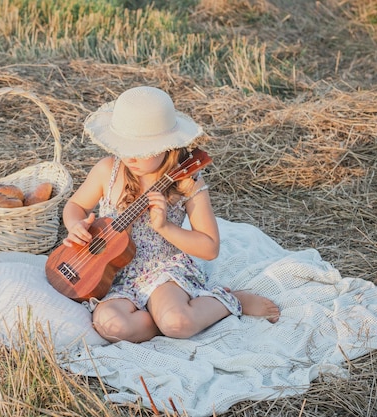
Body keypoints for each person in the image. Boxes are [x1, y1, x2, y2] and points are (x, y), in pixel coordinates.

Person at [61, 86, 280, 343]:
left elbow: (209, 248)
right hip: (110, 274)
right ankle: (159, 318)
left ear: (167, 146)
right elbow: (75, 207)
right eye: (125, 146)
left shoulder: (186, 182)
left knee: (177, 323)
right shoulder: (107, 171)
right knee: (111, 326)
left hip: (162, 271)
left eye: (142, 149)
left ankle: (229, 301)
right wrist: (76, 224)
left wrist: (165, 227)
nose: (131, 156)